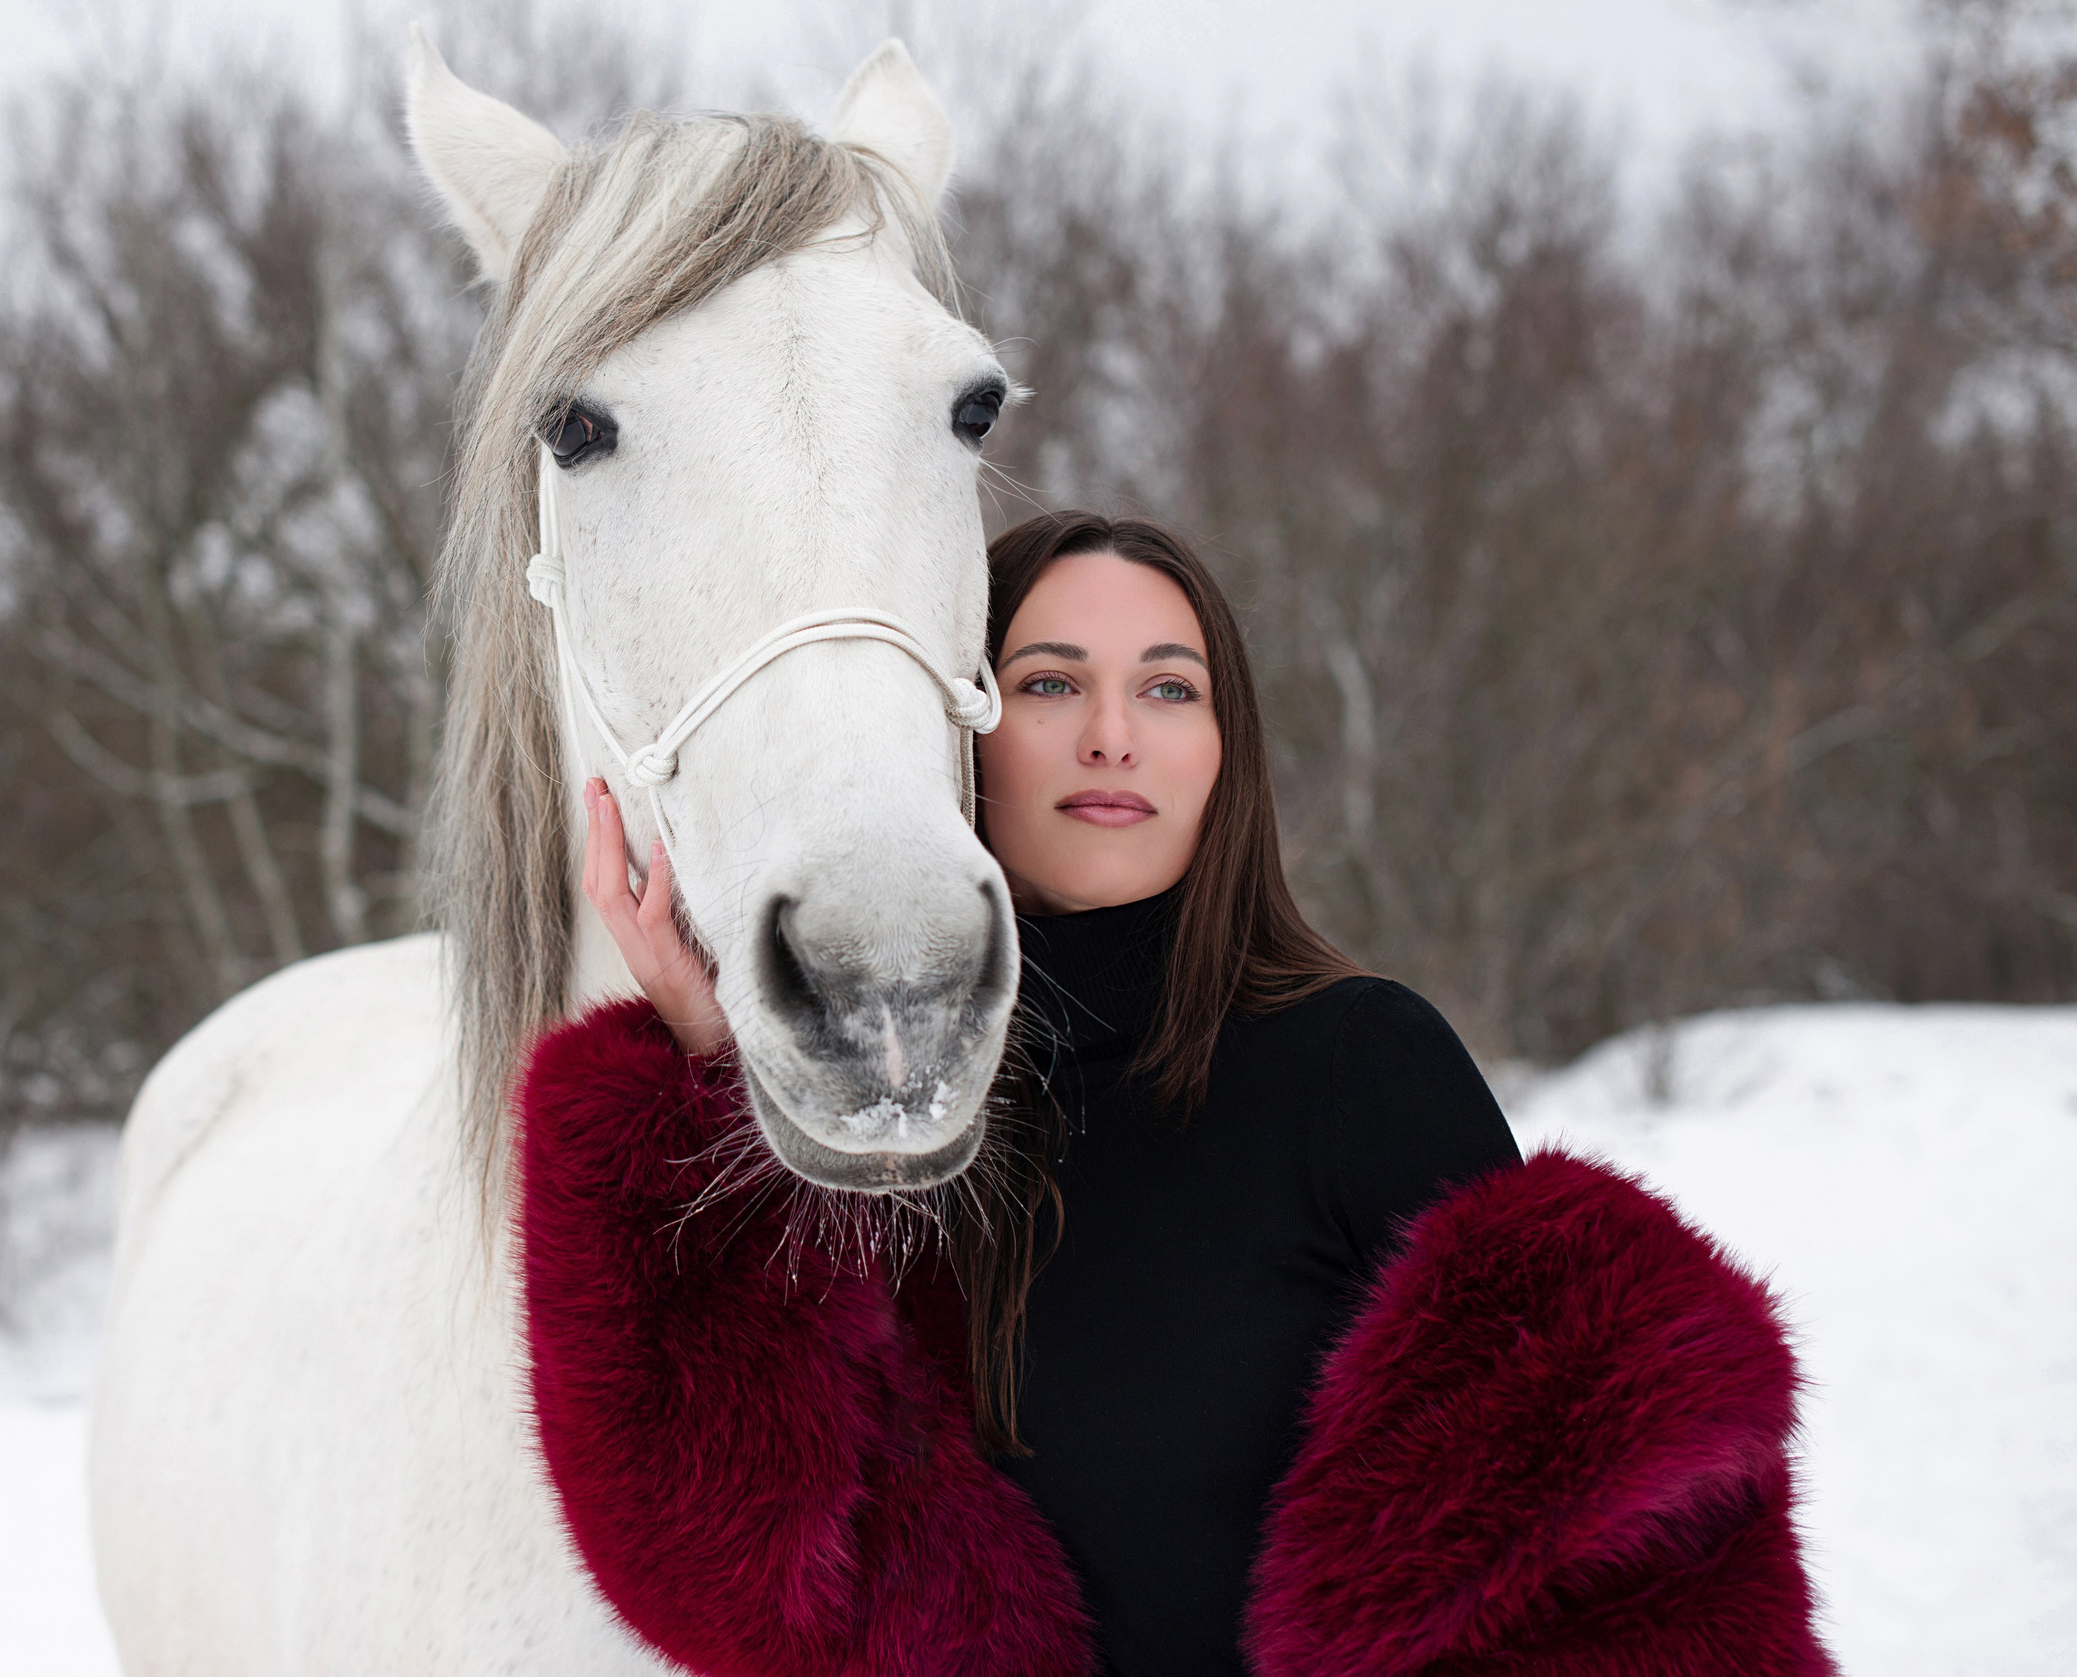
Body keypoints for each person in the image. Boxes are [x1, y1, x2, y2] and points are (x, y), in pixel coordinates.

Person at [523, 512, 1831, 1677]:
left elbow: (1611, 1570)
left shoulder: (1360, 1066)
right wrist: (708, 1066)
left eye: (1169, 686)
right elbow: (758, 1574)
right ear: (961, 731)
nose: (1112, 733)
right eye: (1049, 683)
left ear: (1223, 748)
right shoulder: (900, 1124)